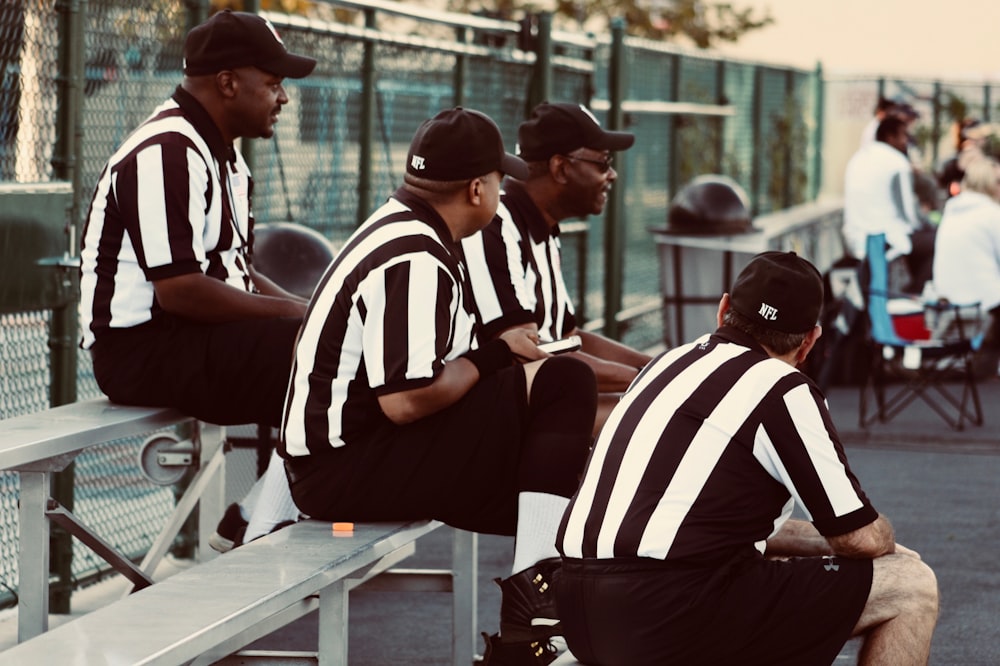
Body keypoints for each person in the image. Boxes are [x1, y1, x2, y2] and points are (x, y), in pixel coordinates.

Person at [278, 107, 599, 664]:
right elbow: (405, 400)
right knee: (565, 382)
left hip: (359, 456)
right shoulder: (413, 252)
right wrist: (497, 354)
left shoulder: (411, 230)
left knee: (566, 481)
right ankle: (531, 621)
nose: (503, 194)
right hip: (347, 468)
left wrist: (497, 365)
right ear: (477, 189)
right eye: (501, 181)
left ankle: (538, 616)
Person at [556, 251, 939, 665]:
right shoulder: (783, 389)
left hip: (578, 607)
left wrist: (819, 544)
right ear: (810, 340)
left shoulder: (664, 365)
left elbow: (698, 524)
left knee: (768, 564)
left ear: (723, 310)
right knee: (910, 585)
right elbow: (858, 536)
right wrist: (888, 546)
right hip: (669, 611)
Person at [78, 10, 316, 549]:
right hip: (141, 350)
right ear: (228, 82)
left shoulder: (223, 155)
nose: (283, 99)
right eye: (274, 84)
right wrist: (299, 317)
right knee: (327, 352)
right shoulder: (167, 150)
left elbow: (236, 270)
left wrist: (314, 307)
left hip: (192, 341)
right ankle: (264, 512)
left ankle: (263, 509)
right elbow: (181, 289)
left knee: (341, 343)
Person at [463, 102, 652, 436]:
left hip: (539, 396)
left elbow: (568, 338)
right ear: (561, 168)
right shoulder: (497, 226)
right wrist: (652, 380)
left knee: (657, 404)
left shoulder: (543, 229)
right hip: (487, 417)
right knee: (653, 419)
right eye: (603, 162)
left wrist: (652, 366)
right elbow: (526, 354)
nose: (612, 174)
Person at [843, 114, 935, 294]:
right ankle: (914, 295)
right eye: (903, 136)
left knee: (920, 241)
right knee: (939, 240)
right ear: (890, 137)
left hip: (855, 237)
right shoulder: (896, 161)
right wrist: (929, 222)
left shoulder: (858, 157)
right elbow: (909, 214)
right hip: (885, 238)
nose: (905, 142)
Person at [932, 155, 1000, 378]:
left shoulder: (952, 212)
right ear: (988, 184)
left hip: (949, 300)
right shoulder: (992, 213)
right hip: (987, 301)